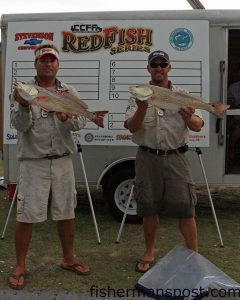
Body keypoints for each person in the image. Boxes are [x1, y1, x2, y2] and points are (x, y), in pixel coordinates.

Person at [9, 44, 91, 290]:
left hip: (63, 160)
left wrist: (68, 119)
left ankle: (68, 258)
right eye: (43, 60)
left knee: (66, 211)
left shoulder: (68, 91)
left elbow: (80, 124)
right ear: (36, 64)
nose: (47, 64)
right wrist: (24, 105)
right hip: (34, 162)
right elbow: (20, 126)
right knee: (27, 214)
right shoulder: (25, 92)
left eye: (51, 60)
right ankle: (21, 265)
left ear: (58, 64)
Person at [125, 50, 204, 273]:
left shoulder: (182, 94)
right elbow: (132, 127)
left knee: (186, 208)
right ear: (148, 68)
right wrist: (141, 108)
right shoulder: (139, 96)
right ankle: (149, 252)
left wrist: (188, 116)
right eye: (154, 64)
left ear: (169, 68)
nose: (158, 68)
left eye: (163, 64)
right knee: (148, 207)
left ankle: (194, 255)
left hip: (176, 156)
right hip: (147, 157)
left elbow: (197, 125)